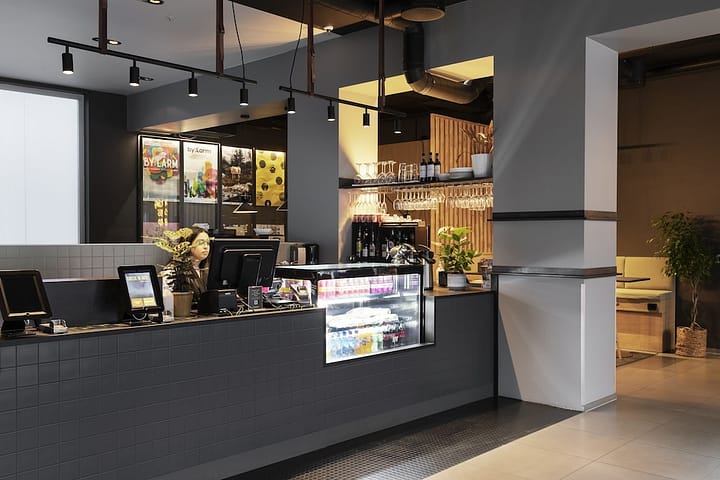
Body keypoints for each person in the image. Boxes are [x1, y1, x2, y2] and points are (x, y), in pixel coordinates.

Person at [186, 226, 210, 303]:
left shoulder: (207, 268)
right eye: (200, 243)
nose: (206, 247)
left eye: (208, 243)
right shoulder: (174, 270)